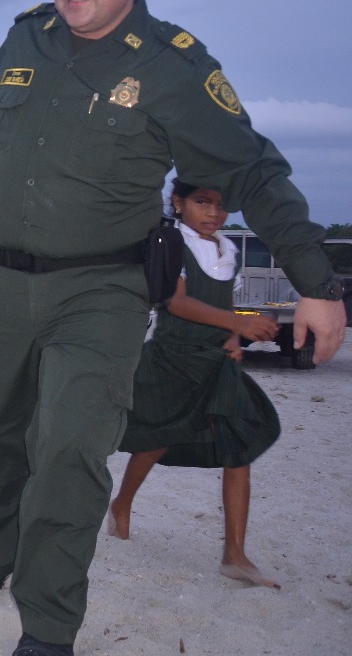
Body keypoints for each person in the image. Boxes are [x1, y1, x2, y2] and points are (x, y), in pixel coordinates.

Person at [0, 0, 346, 656]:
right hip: (0, 284)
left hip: (100, 292)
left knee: (70, 452)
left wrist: (316, 281)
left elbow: (256, 170)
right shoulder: (26, 39)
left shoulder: (175, 66)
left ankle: (47, 626)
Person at [108, 180, 282, 588]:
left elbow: (225, 306)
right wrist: (239, 323)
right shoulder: (173, 243)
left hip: (217, 362)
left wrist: (234, 338)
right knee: (157, 439)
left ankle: (234, 554)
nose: (213, 214)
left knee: (239, 446)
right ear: (178, 202)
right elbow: (177, 302)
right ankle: (121, 503)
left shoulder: (228, 250)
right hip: (174, 358)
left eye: (222, 206)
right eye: (202, 203)